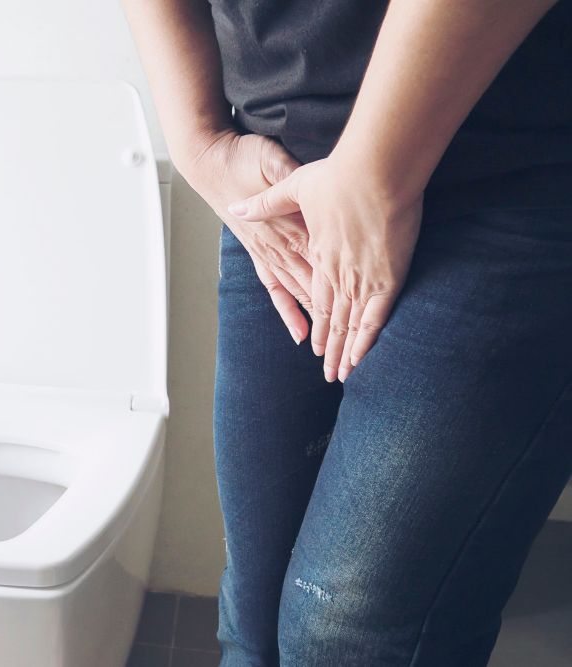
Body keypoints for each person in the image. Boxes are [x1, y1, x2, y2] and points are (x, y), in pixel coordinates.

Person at [120, 0, 572, 664]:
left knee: (345, 639)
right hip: (284, 193)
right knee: (254, 620)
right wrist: (198, 144)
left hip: (512, 176)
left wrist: (377, 173)